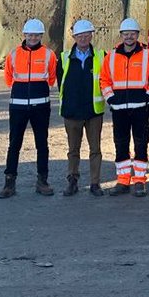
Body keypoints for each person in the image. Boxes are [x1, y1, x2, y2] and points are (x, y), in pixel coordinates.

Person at [0, 18, 59, 198]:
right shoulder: (13, 54)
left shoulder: (49, 55)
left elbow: (52, 78)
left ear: (41, 36)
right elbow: (9, 78)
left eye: (36, 35)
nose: (33, 37)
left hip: (41, 106)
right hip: (18, 106)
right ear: (24, 35)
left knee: (42, 144)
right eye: (30, 34)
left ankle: (42, 181)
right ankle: (9, 183)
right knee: (14, 144)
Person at [100, 17, 149, 198]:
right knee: (121, 144)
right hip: (119, 109)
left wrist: (148, 96)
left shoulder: (148, 56)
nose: (129, 37)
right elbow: (104, 80)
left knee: (141, 144)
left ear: (137, 35)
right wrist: (111, 100)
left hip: (140, 108)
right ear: (121, 35)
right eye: (126, 34)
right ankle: (123, 180)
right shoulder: (110, 57)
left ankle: (140, 181)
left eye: (132, 34)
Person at [59, 19, 106, 197]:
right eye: (80, 35)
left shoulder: (101, 56)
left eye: (87, 34)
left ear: (91, 35)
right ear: (74, 37)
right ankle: (72, 181)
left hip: (93, 111)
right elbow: (60, 82)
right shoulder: (64, 58)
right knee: (73, 150)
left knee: (95, 150)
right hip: (72, 112)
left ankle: (95, 183)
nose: (84, 38)